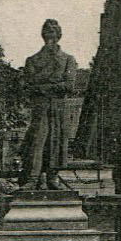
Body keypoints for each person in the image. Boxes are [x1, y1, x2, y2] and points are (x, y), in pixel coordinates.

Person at [18, 19, 79, 190]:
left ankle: (52, 177)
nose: (50, 38)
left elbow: (69, 85)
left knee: (56, 141)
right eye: (47, 34)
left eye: (53, 34)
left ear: (59, 36)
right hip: (41, 107)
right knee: (37, 140)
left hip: (59, 107)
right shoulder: (32, 60)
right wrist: (52, 85)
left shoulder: (68, 59)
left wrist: (44, 85)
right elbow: (29, 86)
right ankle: (33, 177)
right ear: (43, 36)